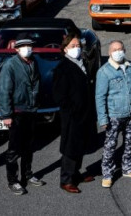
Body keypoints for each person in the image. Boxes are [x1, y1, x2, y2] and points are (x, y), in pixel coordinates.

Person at [0, 38, 45, 195]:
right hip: (17, 112)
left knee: (29, 147)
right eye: (23, 46)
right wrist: (6, 114)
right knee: (14, 149)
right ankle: (13, 180)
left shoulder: (33, 62)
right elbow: (4, 91)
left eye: (29, 46)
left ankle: (28, 174)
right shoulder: (10, 65)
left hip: (31, 110)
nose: (27, 48)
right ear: (16, 49)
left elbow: (37, 83)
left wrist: (36, 103)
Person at [95, 40, 131, 189]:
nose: (118, 52)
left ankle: (128, 168)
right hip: (114, 115)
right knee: (110, 145)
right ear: (109, 52)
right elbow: (100, 97)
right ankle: (107, 174)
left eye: (120, 49)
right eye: (114, 50)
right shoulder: (104, 72)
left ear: (125, 50)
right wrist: (102, 118)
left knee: (130, 143)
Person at [53, 31, 96, 194]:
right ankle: (66, 179)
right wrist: (72, 110)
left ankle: (76, 173)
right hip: (72, 116)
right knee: (70, 147)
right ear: (65, 49)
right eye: (73, 46)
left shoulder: (81, 62)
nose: (76, 48)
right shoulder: (62, 67)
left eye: (78, 46)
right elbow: (59, 95)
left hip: (85, 113)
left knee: (80, 145)